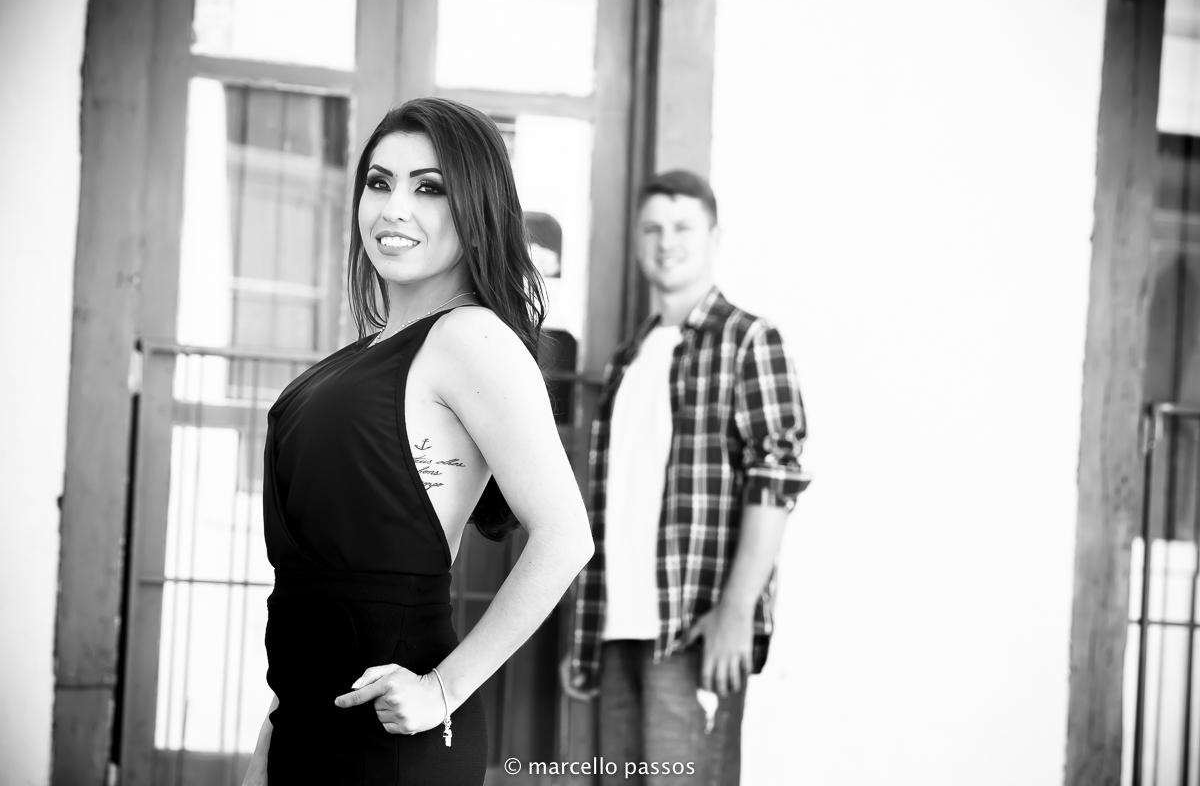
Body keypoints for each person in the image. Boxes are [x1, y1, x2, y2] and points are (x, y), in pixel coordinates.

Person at [241, 97, 594, 786]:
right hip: (305, 725)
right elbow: (319, 594)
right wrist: (271, 741)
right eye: (380, 183)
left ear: (477, 206)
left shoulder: (472, 338)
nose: (394, 208)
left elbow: (566, 538)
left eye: (429, 188)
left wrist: (443, 689)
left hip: (393, 741)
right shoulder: (368, 352)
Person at [561, 171, 809, 785]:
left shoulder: (749, 340)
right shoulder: (627, 360)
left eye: (682, 227)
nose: (665, 241)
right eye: (652, 228)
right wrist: (585, 636)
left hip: (693, 630)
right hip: (616, 631)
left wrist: (735, 612)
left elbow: (774, 481)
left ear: (714, 236)